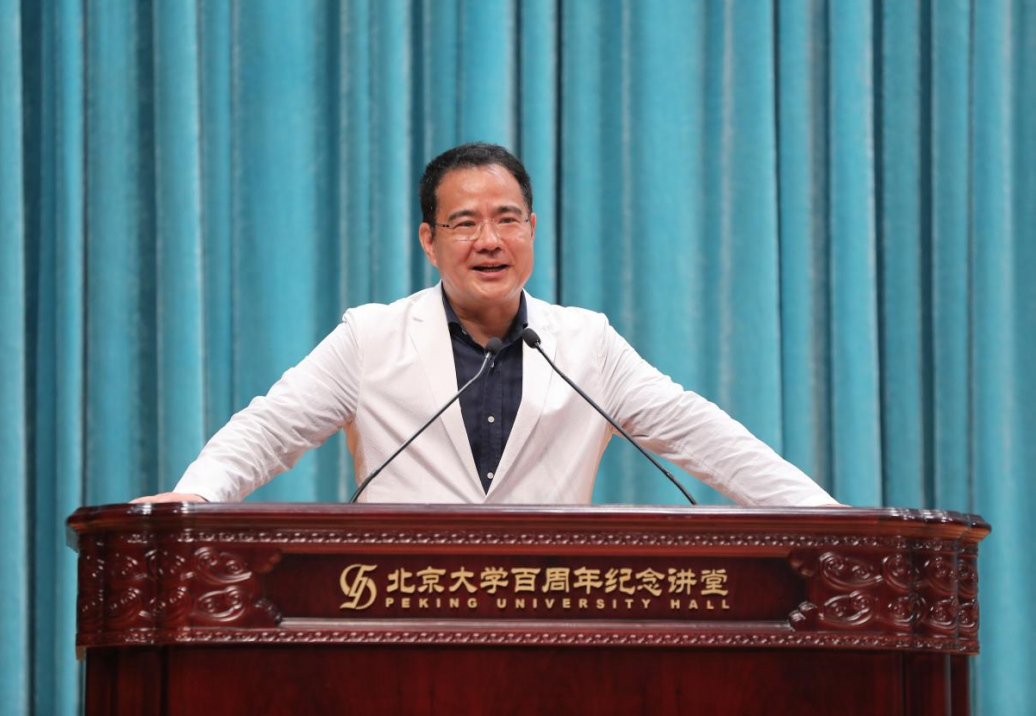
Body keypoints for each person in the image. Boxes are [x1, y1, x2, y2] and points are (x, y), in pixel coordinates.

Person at [134, 143, 836, 507]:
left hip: (548, 620)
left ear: (532, 230)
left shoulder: (586, 343)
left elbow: (701, 435)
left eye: (506, 220)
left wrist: (826, 518)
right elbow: (269, 429)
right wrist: (199, 495)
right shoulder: (370, 338)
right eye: (464, 223)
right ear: (428, 240)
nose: (489, 241)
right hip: (400, 618)